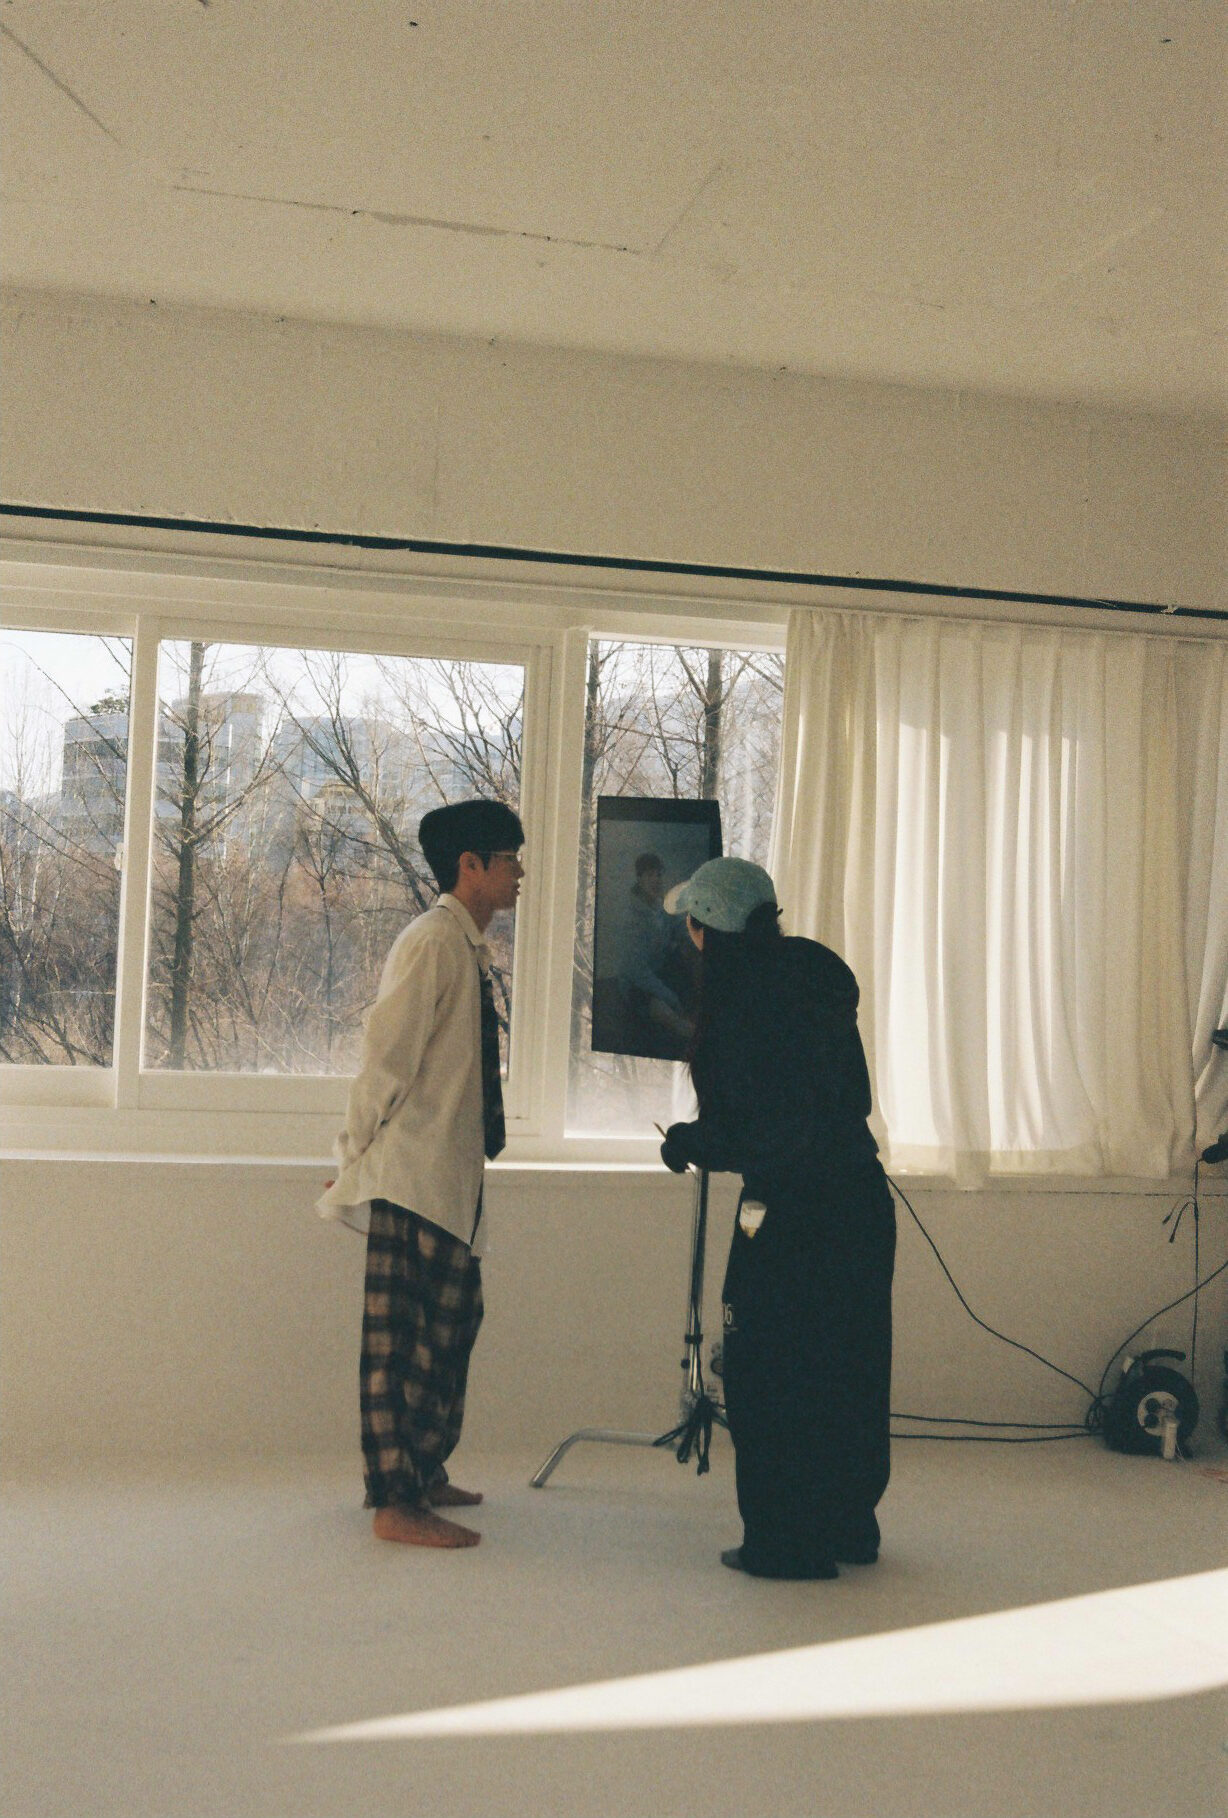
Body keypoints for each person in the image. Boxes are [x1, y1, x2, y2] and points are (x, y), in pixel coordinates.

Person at [658, 857, 895, 1580]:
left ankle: (785, 1542)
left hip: (785, 1213)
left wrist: (689, 1141)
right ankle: (848, 1524)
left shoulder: (740, 1005)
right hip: (859, 1203)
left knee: (768, 1371)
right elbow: (832, 1106)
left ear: (706, 929)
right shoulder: (816, 980)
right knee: (849, 1366)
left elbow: (756, 1131)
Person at [318, 798, 525, 1549]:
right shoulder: (432, 942)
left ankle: (424, 1472)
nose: (520, 872)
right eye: (509, 859)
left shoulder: (464, 947)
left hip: (446, 1183)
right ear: (470, 866)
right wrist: (351, 1159)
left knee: (450, 1328)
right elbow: (386, 1058)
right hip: (412, 1179)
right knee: (400, 1346)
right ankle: (395, 1501)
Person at [614, 852, 695, 1056]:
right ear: (639, 878)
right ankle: (685, 1029)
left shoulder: (661, 906)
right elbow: (637, 972)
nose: (656, 880)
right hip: (636, 982)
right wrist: (670, 997)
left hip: (660, 971)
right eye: (650, 875)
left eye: (659, 874)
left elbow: (678, 926)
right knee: (659, 1007)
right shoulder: (631, 919)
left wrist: (694, 938)